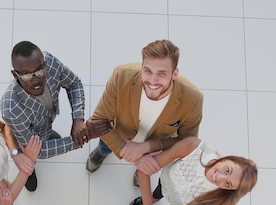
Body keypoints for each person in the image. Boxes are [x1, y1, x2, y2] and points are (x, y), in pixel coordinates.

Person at [1, 41, 111, 190]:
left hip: (45, 123)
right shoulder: (11, 108)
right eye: (27, 75)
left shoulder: (51, 63)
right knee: (29, 157)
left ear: (44, 64)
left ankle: (47, 133)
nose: (36, 80)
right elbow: (39, 150)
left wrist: (78, 119)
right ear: (15, 75)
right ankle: (29, 171)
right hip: (25, 140)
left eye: (40, 71)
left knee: (49, 136)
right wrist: (83, 137)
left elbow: (74, 83)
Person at [85, 39, 203, 176]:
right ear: (142, 67)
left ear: (174, 74)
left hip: (155, 146)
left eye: (161, 74)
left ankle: (141, 171)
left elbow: (186, 142)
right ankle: (101, 153)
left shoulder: (193, 99)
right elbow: (98, 120)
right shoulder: (121, 75)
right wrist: (136, 157)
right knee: (105, 146)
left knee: (148, 165)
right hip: (119, 133)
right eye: (148, 71)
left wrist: (146, 148)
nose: (152, 81)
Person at [129, 137, 258, 205]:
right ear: (228, 159)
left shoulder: (223, 203)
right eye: (227, 170)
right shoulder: (194, 147)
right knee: (159, 190)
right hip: (166, 183)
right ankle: (153, 198)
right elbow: (144, 171)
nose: (219, 177)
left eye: (228, 184)